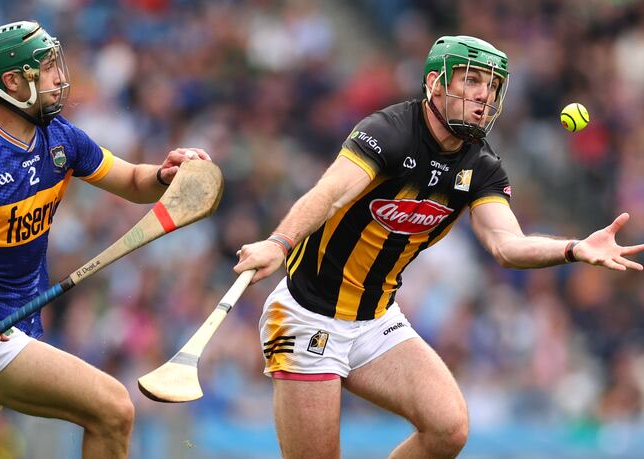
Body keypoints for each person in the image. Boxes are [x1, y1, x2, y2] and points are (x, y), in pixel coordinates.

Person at [234, 35, 644, 459]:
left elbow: (507, 245)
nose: (484, 94)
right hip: (308, 315)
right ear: (435, 83)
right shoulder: (388, 132)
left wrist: (574, 248)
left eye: (492, 85)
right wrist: (278, 243)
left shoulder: (481, 166)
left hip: (376, 320)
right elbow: (331, 193)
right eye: (471, 80)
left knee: (448, 429)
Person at [0, 20, 210, 459]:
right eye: (47, 68)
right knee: (113, 409)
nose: (59, 78)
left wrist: (165, 174)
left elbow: (132, 181)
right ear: (13, 82)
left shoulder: (60, 138)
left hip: (9, 331)